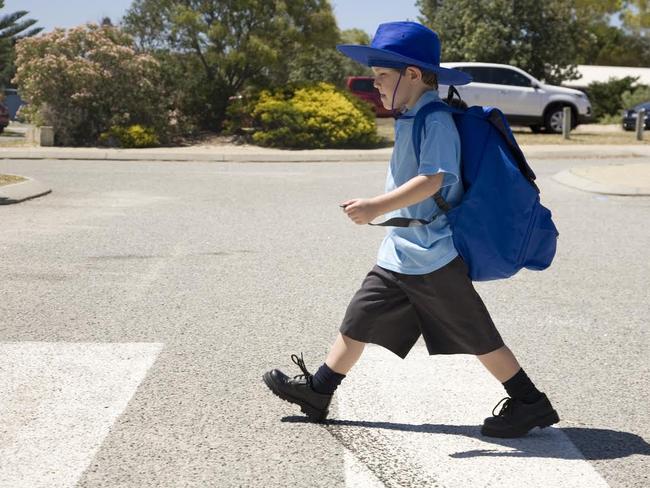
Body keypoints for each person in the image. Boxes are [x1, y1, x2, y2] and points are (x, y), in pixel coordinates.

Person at [262, 21, 559, 438]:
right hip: (403, 250)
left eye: (382, 77)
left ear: (413, 75)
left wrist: (374, 207)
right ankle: (319, 391)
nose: (375, 85)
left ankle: (530, 402)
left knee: (476, 333)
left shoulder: (434, 118)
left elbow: (433, 179)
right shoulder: (411, 114)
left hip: (431, 254)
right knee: (360, 316)